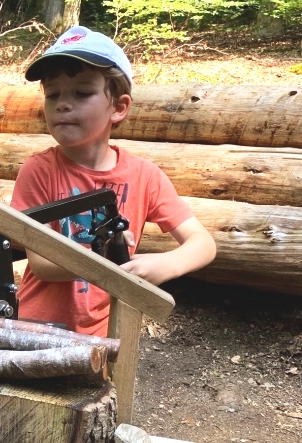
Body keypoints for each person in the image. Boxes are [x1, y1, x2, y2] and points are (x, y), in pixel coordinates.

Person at [11, 26, 216, 336]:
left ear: (118, 108)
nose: (62, 104)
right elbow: (41, 263)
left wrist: (166, 265)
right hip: (37, 329)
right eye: (52, 94)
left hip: (107, 334)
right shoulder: (39, 170)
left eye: (81, 93)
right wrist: (98, 258)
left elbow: (203, 244)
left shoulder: (144, 176)